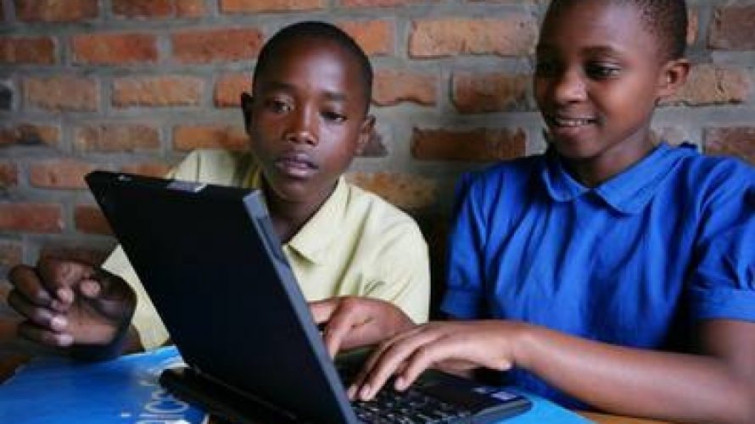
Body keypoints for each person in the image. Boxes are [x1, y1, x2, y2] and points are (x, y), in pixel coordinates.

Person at [316, 1, 755, 423]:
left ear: (669, 79)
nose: (563, 90)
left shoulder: (718, 197)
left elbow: (739, 393)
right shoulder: (491, 195)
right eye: (547, 66)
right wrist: (402, 332)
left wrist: (522, 342)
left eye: (600, 69)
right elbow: (471, 370)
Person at [5, 21, 430, 360]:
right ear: (248, 114)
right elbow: (140, 332)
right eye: (279, 105)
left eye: (332, 115)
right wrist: (110, 332)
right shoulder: (202, 177)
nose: (302, 131)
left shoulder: (392, 241)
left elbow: (390, 385)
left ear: (362, 136)